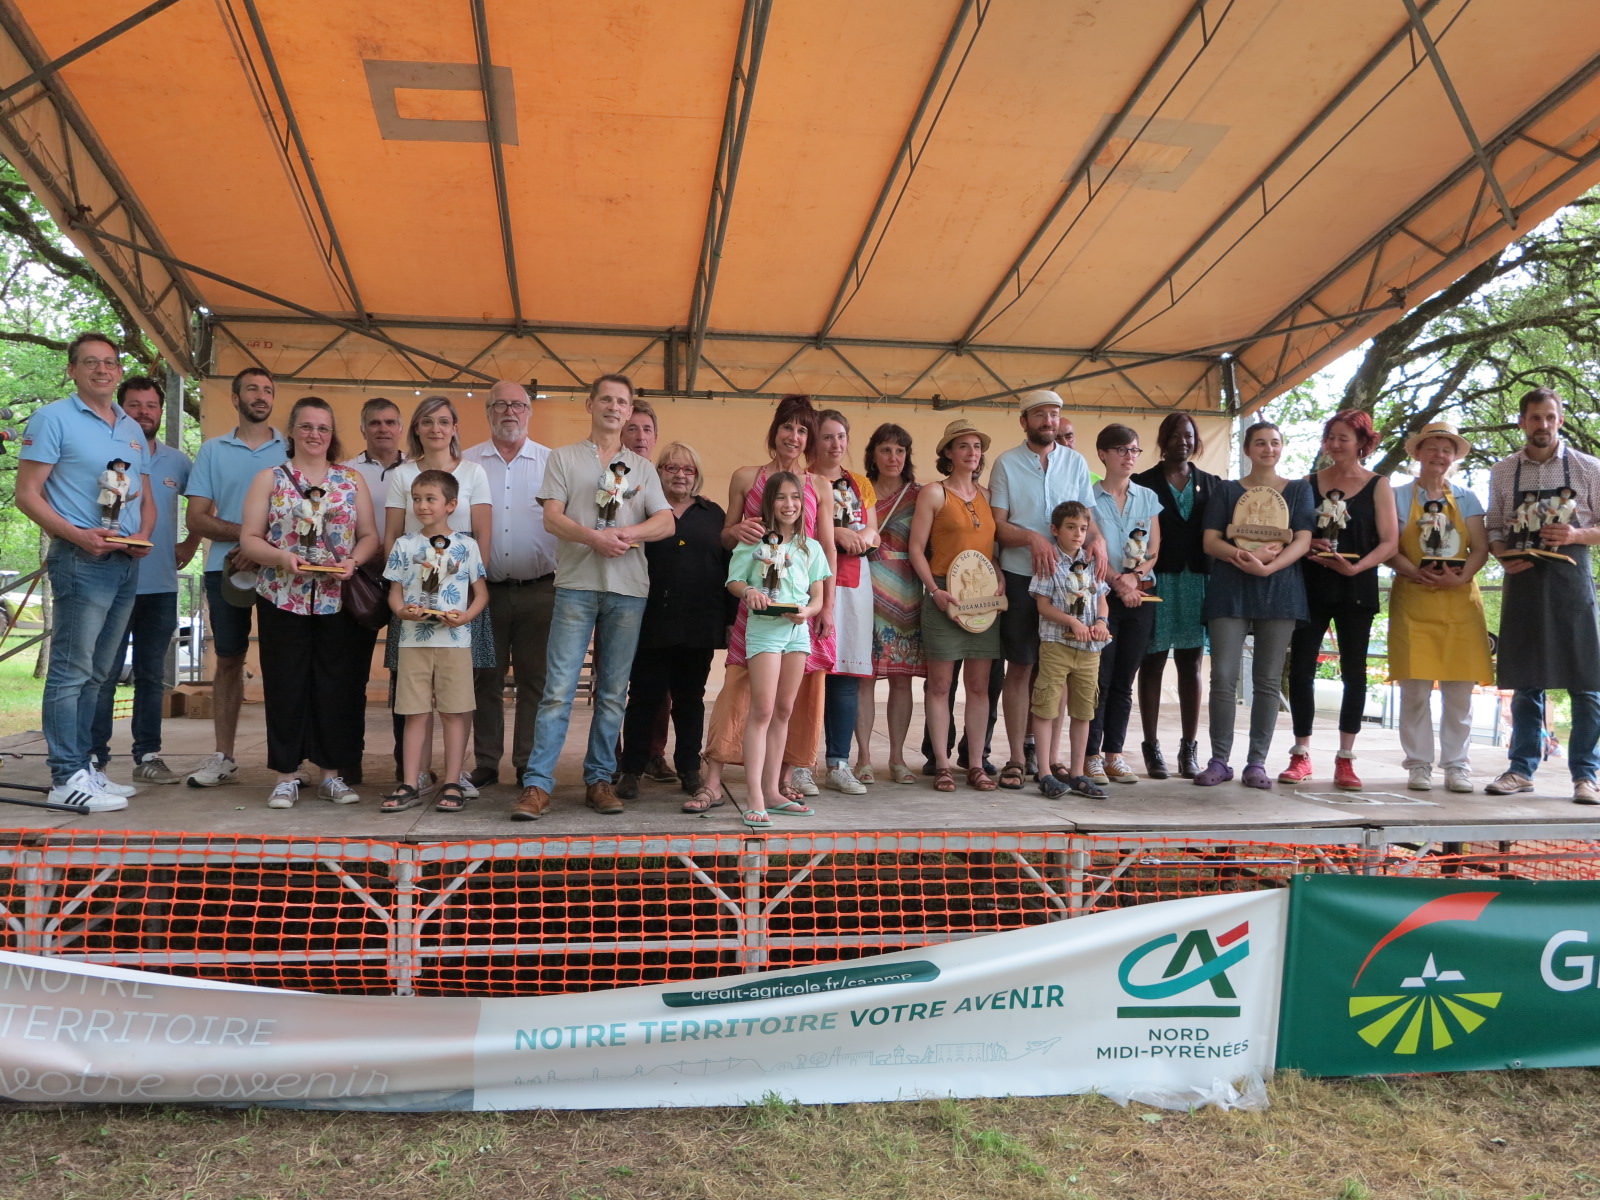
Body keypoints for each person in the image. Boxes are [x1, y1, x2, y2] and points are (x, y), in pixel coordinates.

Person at [512, 374, 673, 820]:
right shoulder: (563, 458)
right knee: (558, 690)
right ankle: (537, 785)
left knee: (612, 691)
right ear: (590, 404)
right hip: (577, 586)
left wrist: (627, 533)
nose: (614, 407)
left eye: (622, 401)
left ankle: (600, 780)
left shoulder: (642, 468)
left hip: (628, 591)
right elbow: (551, 518)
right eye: (606, 399)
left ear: (628, 409)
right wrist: (594, 538)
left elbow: (666, 522)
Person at [15, 333, 155, 811]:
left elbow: (133, 492)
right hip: (81, 558)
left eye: (110, 362)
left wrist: (137, 535)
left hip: (123, 559)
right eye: (91, 362)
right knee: (71, 672)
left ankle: (85, 767)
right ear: (72, 369)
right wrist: (78, 535)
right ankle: (64, 777)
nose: (103, 370)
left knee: (100, 674)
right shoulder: (52, 418)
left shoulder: (131, 428)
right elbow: (27, 494)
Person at [237, 397, 379, 808]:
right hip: (283, 596)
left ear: (332, 434)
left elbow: (370, 535)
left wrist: (354, 561)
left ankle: (331, 774)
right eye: (307, 426)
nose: (315, 434)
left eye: (323, 427)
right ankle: (285, 774)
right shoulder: (271, 478)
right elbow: (249, 538)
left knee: (335, 686)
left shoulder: (351, 480)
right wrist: (283, 559)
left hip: (337, 599)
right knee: (285, 683)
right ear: (292, 431)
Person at [700, 396, 838, 808]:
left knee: (793, 700)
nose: (794, 437)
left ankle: (778, 783)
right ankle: (715, 779)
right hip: (755, 606)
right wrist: (738, 531)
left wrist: (824, 606)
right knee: (741, 690)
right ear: (774, 430)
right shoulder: (746, 477)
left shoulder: (819, 485)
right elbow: (727, 539)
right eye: (788, 427)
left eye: (802, 430)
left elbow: (826, 547)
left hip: (801, 606)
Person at [1484, 386, 1600, 804]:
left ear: (1561, 420)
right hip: (1523, 577)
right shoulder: (1503, 471)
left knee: (1587, 680)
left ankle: (1586, 776)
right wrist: (1500, 555)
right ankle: (1520, 770)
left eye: (1550, 417)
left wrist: (1576, 533)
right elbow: (1494, 525)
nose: (1543, 425)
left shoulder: (1589, 468)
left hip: (1572, 580)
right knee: (1525, 679)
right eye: (1535, 418)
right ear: (1522, 422)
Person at [90, 375, 201, 785]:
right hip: (110, 580)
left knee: (153, 675)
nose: (144, 412)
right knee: (104, 673)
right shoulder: (107, 453)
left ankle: (148, 755)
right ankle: (95, 759)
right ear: (121, 409)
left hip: (161, 585)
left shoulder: (177, 461)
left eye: (151, 405)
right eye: (134, 405)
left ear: (160, 410)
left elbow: (203, 504)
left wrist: (193, 542)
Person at [1280, 409, 1399, 791]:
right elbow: (1292, 533)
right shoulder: (1306, 483)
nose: (1334, 444)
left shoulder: (1379, 484)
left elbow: (1389, 542)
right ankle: (1301, 753)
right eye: (1330, 437)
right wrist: (1307, 542)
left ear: (1363, 442)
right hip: (1310, 585)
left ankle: (1346, 759)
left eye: (1343, 438)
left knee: (1354, 673)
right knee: (1300, 670)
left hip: (1356, 587)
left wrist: (1357, 567)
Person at [1195, 421, 1314, 788]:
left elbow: (1304, 540)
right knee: (1224, 678)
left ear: (1283, 448)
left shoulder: (1299, 491)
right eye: (1260, 443)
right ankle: (1219, 760)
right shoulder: (1227, 490)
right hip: (1230, 589)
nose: (1268, 449)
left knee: (1266, 681)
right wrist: (1242, 557)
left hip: (1280, 591)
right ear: (1247, 449)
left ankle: (1256, 763)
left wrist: (1268, 567)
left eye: (1275, 443)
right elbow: (1210, 541)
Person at [384, 396, 492, 796]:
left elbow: (483, 541)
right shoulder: (402, 474)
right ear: (416, 428)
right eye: (426, 421)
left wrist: (466, 607)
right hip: (414, 611)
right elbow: (391, 538)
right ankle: (412, 778)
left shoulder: (474, 473)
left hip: (458, 611)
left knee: (456, 701)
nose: (435, 429)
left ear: (455, 427)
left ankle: (452, 778)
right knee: (412, 702)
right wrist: (402, 604)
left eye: (443, 421)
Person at [183, 367, 286, 787]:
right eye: (252, 389)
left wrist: (261, 548)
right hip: (223, 570)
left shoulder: (292, 447)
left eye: (267, 390)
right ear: (235, 397)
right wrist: (247, 540)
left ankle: (288, 759)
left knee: (286, 664)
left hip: (282, 571)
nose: (260, 396)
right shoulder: (212, 450)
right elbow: (197, 518)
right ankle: (222, 755)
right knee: (228, 660)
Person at [990, 389, 1095, 790]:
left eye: (1054, 414)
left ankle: (1050, 761)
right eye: (1040, 415)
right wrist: (1033, 540)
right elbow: (999, 525)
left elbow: (1087, 517)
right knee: (1021, 666)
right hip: (1020, 575)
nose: (1049, 421)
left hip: (1069, 583)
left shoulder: (1076, 462)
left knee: (1062, 669)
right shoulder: (1006, 463)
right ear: (1024, 421)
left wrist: (1097, 541)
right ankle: (1018, 757)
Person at [617, 442, 729, 809]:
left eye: (688, 470)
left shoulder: (713, 514)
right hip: (648, 620)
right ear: (658, 471)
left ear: (696, 476)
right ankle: (631, 769)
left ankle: (689, 769)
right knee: (644, 698)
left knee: (689, 700)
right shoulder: (642, 508)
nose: (680, 475)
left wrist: (728, 620)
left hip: (698, 622)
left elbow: (728, 566)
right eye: (672, 468)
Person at [1386, 422, 1493, 793]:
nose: (1439, 455)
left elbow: (1480, 547)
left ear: (1454, 458)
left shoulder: (1468, 498)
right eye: (1432, 448)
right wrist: (1412, 571)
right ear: (1417, 453)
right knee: (1414, 690)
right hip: (1413, 597)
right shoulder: (1395, 495)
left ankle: (1457, 766)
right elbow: (1388, 546)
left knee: (1459, 692)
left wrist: (1461, 578)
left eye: (1447, 450)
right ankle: (1417, 764)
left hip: (1461, 600)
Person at [464, 381, 558, 789]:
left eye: (518, 405)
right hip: (483, 591)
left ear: (529, 412)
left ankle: (527, 762)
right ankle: (486, 760)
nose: (509, 412)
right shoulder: (466, 463)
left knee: (535, 680)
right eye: (500, 404)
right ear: (487, 412)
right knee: (485, 676)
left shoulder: (552, 463)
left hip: (541, 590)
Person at [726, 472, 831, 827]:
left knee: (784, 710)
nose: (789, 505)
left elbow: (817, 597)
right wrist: (749, 593)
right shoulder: (755, 540)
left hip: (797, 633)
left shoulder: (810, 546)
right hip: (765, 631)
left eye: (795, 498)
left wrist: (809, 612)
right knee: (763, 709)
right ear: (769, 503)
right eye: (781, 498)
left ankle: (773, 791)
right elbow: (735, 581)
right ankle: (754, 795)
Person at [909, 419, 1003, 792]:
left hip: (983, 596)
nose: (972, 453)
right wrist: (934, 590)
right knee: (940, 685)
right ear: (948, 452)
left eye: (977, 446)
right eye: (963, 446)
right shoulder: (934, 493)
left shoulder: (990, 495)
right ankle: (943, 765)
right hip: (944, 594)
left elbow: (991, 550)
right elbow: (916, 548)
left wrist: (998, 575)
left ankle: (976, 764)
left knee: (979, 686)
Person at [1133, 413, 1217, 780]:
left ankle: (1189, 749)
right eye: (1175, 435)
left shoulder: (1213, 484)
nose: (1182, 441)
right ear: (1162, 440)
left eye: (1189, 436)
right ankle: (1151, 748)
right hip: (1156, 581)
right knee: (1151, 662)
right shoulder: (1143, 482)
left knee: (1191, 663)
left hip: (1197, 581)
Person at [1083, 424, 1162, 785]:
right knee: (1100, 676)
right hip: (1102, 595)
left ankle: (1115, 754)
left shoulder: (1147, 496)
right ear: (1103, 453)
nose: (1129, 456)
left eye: (1134, 450)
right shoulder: (1089, 497)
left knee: (1125, 680)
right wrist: (1118, 581)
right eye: (1122, 450)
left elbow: (1154, 549)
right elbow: (1091, 546)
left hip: (1140, 594)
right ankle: (1091, 754)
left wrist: (1136, 576)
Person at [811, 410, 879, 795]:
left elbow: (873, 530)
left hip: (855, 584)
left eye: (841, 437)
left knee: (847, 676)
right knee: (810, 675)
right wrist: (835, 532)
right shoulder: (805, 480)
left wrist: (862, 536)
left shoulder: (861, 484)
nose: (835, 445)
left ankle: (839, 760)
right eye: (827, 437)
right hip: (815, 582)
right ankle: (801, 762)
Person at [1029, 501, 1111, 798]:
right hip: (1056, 645)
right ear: (1055, 530)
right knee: (1047, 707)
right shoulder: (1050, 561)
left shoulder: (1092, 561)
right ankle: (1045, 773)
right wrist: (1071, 622)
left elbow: (1101, 597)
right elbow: (1042, 605)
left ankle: (1078, 772)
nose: (1078, 534)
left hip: (1089, 649)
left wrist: (1101, 620)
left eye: (1083, 528)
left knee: (1083, 710)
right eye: (1071, 527)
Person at [858, 423, 923, 784]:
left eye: (900, 451)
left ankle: (898, 759)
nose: (893, 457)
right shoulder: (857, 490)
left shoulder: (921, 494)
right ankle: (864, 758)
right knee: (863, 679)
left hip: (906, 593)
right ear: (873, 454)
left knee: (902, 680)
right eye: (886, 450)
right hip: (863, 588)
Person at [342, 397, 406, 496]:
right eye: (375, 423)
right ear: (363, 431)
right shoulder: (344, 472)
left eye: (390, 423)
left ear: (400, 430)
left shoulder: (417, 470)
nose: (383, 429)